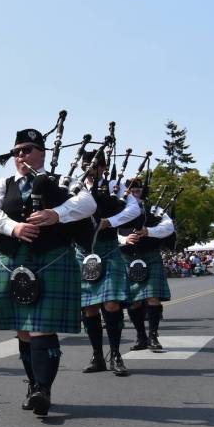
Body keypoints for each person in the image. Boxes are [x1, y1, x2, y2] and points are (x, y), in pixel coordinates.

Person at [0, 127, 96, 417]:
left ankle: (43, 388)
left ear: (42, 153)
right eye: (17, 151)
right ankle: (33, 383)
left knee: (42, 327)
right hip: (12, 259)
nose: (21, 156)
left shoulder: (62, 181)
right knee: (23, 329)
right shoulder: (3, 185)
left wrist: (57, 214)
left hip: (52, 258)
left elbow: (88, 203)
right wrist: (14, 227)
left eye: (28, 149)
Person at [76, 150, 141, 376]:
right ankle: (97, 356)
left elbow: (134, 209)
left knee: (112, 303)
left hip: (109, 248)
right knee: (89, 307)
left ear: (103, 167)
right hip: (83, 251)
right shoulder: (74, 187)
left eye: (94, 165)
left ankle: (115, 354)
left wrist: (109, 222)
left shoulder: (115, 185)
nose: (90, 169)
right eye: (86, 165)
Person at [120, 178, 174, 352]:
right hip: (128, 257)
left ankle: (153, 336)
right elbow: (110, 231)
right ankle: (141, 336)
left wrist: (148, 231)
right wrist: (124, 239)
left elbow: (168, 227)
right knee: (134, 302)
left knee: (153, 298)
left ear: (143, 191)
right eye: (131, 191)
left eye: (138, 190)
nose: (135, 193)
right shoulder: (120, 209)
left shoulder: (154, 209)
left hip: (150, 256)